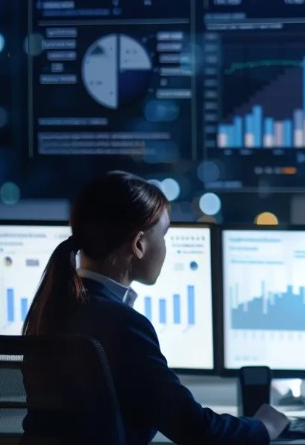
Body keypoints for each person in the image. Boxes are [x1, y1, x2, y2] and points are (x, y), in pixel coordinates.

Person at [21, 171, 289, 444]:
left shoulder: (53, 307)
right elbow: (194, 429)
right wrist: (263, 426)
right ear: (138, 244)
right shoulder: (123, 324)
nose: (165, 247)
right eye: (164, 235)